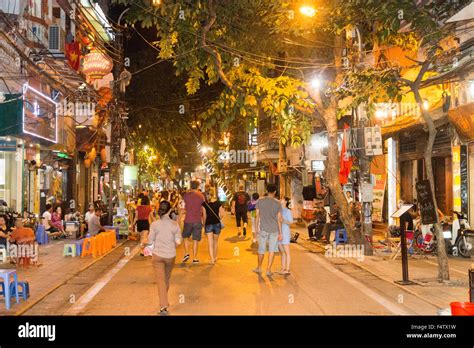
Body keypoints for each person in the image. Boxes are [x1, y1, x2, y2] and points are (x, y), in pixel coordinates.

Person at [146, 200, 182, 316]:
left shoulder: (154, 225)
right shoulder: (175, 225)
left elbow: (150, 241)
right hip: (170, 256)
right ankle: (164, 303)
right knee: (165, 280)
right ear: (170, 210)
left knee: (161, 281)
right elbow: (178, 242)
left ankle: (163, 306)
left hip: (157, 256)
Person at [254, 183, 282, 276]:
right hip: (274, 230)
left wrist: (255, 230)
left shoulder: (260, 201)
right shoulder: (278, 203)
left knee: (261, 249)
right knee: (271, 250)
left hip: (263, 229)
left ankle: (259, 267)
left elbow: (257, 217)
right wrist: (280, 233)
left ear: (267, 190)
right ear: (274, 192)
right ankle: (268, 270)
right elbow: (279, 219)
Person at [181, 181, 206, 264]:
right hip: (197, 220)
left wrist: (179, 218)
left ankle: (186, 253)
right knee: (195, 239)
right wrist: (204, 222)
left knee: (185, 237)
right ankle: (195, 258)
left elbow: (182, 208)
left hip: (188, 219)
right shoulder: (201, 196)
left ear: (190, 186)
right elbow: (203, 209)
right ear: (198, 186)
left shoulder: (185, 196)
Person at [203, 188, 224, 264]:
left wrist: (204, 225)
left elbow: (204, 216)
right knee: (215, 242)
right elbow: (222, 214)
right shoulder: (218, 203)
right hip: (217, 224)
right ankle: (215, 257)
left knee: (210, 243)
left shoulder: (205, 204)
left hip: (208, 224)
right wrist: (218, 218)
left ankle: (211, 259)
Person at [278, 197, 293, 275]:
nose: (281, 200)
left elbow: (291, 222)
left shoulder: (288, 211)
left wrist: (283, 220)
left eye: (282, 199)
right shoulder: (279, 210)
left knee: (287, 252)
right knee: (282, 252)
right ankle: (283, 268)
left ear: (286, 201)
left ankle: (288, 269)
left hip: (285, 232)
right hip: (279, 233)